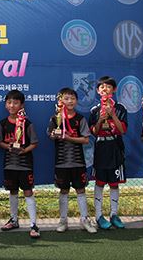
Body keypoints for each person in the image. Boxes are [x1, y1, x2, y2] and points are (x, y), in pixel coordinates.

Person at [47, 87, 97, 234]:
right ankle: (63, 221)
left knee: (81, 190)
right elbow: (50, 135)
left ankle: (85, 220)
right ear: (60, 101)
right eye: (66, 98)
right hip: (61, 162)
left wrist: (69, 138)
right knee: (64, 190)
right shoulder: (54, 118)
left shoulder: (80, 119)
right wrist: (55, 134)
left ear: (76, 101)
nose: (69, 101)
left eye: (72, 98)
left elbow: (86, 140)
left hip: (78, 162)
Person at [0, 89, 40, 238]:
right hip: (9, 164)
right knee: (13, 191)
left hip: (25, 163)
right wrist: (7, 146)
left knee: (28, 191)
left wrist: (24, 150)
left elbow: (34, 143)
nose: (12, 105)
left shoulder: (27, 124)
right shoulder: (2, 124)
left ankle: (33, 224)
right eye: (9, 102)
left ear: (22, 105)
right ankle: (14, 219)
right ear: (5, 105)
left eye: (15, 102)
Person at [88, 76, 128, 230]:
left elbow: (123, 130)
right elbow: (94, 132)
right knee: (99, 182)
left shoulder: (121, 108)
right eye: (102, 87)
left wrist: (112, 115)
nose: (105, 89)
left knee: (114, 183)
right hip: (100, 149)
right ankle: (98, 216)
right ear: (98, 91)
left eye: (108, 87)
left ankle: (114, 214)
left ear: (114, 89)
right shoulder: (94, 110)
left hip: (115, 147)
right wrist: (100, 119)